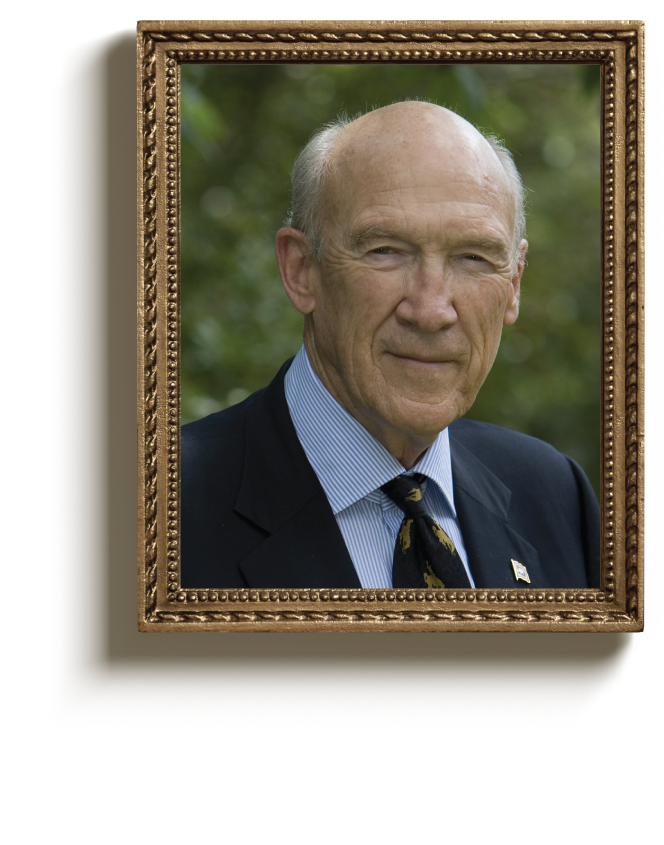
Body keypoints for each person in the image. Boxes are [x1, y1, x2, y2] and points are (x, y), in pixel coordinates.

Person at [181, 101, 600, 590]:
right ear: (301, 270)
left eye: (473, 258)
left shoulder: (554, 495)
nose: (430, 311)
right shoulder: (159, 507)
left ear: (514, 284)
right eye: (386, 251)